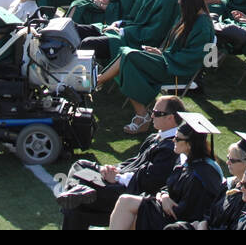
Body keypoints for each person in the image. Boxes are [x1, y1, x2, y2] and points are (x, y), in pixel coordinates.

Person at [57, 94, 183, 230]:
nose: (152, 116)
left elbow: (149, 181)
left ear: (170, 118)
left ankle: (77, 191)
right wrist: (111, 169)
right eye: (152, 111)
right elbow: (134, 161)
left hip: (129, 192)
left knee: (73, 207)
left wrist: (117, 177)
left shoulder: (172, 148)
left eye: (156, 113)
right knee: (80, 165)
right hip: (121, 179)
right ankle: (78, 190)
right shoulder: (155, 137)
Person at [108, 112, 224, 230]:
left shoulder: (202, 173)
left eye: (178, 139)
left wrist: (166, 202)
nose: (173, 140)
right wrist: (163, 195)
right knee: (125, 202)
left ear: (189, 144)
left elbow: (190, 211)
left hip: (180, 219)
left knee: (127, 204)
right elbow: (169, 185)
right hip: (168, 208)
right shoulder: (186, 160)